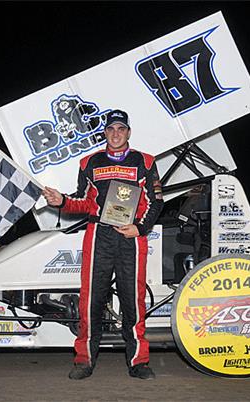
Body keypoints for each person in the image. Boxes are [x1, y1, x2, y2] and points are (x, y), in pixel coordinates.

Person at [43, 109, 164, 380]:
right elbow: (84, 202)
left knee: (133, 300)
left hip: (130, 236)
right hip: (99, 235)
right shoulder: (89, 163)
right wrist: (61, 201)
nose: (116, 133)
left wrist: (140, 227)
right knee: (91, 300)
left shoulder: (144, 161)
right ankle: (84, 360)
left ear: (129, 132)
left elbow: (157, 201)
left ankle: (138, 362)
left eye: (121, 128)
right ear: (105, 132)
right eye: (111, 129)